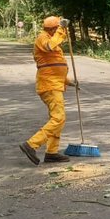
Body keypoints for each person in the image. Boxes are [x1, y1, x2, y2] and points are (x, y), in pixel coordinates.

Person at [20, 16, 77, 164]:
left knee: (56, 119)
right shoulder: (42, 39)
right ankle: (31, 144)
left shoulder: (53, 40)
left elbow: (53, 66)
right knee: (59, 118)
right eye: (57, 28)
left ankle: (52, 152)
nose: (59, 31)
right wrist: (61, 30)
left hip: (55, 84)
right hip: (49, 85)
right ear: (52, 28)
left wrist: (69, 82)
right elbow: (49, 47)